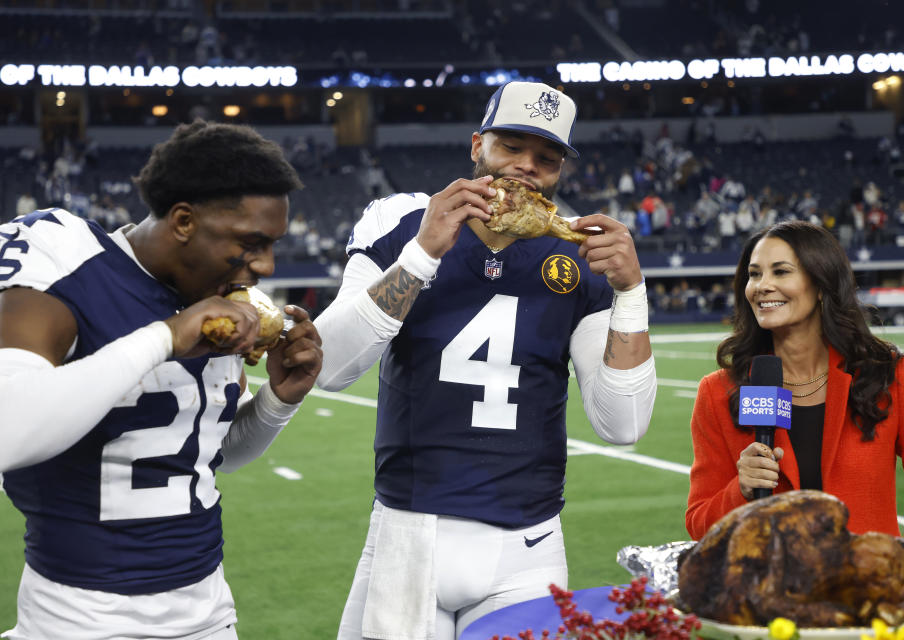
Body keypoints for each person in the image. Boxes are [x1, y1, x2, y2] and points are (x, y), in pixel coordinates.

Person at [314, 81, 657, 639]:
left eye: (546, 159)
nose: (526, 168)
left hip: (528, 543)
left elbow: (624, 424)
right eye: (511, 148)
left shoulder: (580, 251)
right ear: (477, 146)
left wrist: (631, 293)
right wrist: (422, 255)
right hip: (409, 530)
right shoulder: (402, 221)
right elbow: (328, 367)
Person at [0, 120, 323, 639]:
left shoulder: (216, 298)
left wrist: (276, 402)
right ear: (182, 221)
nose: (264, 264)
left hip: (209, 613)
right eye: (250, 242)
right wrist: (166, 337)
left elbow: (199, 454)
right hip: (78, 617)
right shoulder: (71, 263)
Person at [686, 221, 903, 540]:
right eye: (755, 274)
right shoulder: (719, 392)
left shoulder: (886, 376)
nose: (762, 285)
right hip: (767, 587)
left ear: (820, 284)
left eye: (781, 271)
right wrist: (741, 489)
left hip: (865, 585)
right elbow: (699, 525)